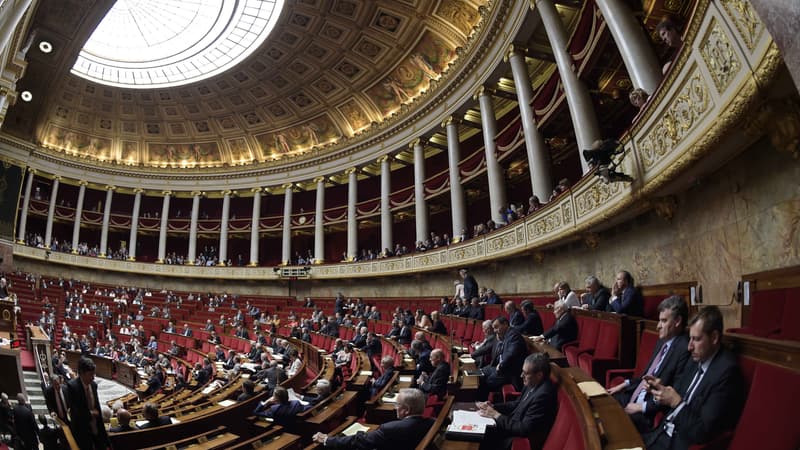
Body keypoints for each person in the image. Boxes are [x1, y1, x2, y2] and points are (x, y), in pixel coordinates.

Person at [644, 305, 745, 449]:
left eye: (696, 339)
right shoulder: (694, 359)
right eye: (690, 338)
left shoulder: (726, 373)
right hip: (659, 434)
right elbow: (675, 391)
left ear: (714, 337)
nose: (689, 346)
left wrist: (676, 403)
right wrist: (660, 390)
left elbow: (702, 432)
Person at [608, 295, 691, 432]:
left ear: (677, 321)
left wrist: (642, 407)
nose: (658, 326)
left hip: (647, 413)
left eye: (663, 321)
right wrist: (625, 384)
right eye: (659, 320)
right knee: (603, 403)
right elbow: (646, 376)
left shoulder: (684, 349)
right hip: (634, 396)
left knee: (611, 425)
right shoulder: (662, 342)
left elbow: (673, 394)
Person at [476, 353, 558, 450]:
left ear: (539, 375)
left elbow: (524, 429)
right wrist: (493, 407)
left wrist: (496, 415)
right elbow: (517, 404)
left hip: (512, 437)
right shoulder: (533, 382)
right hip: (509, 424)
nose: (521, 375)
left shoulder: (543, 396)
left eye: (525, 373)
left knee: (477, 438)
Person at [312, 388, 434, 449]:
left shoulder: (390, 428)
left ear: (406, 410)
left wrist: (327, 440)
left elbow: (359, 441)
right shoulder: (432, 422)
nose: (395, 407)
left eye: (397, 405)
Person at [65, 357, 109, 449]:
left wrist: (105, 438)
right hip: (82, 430)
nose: (93, 377)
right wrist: (91, 413)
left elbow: (97, 409)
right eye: (90, 374)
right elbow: (76, 412)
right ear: (81, 373)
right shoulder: (72, 387)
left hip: (96, 427)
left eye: (94, 374)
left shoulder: (93, 385)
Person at [479, 317, 528, 399]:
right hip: (502, 367)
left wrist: (501, 365)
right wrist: (500, 340)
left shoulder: (514, 336)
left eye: (496, 327)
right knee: (481, 373)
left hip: (509, 372)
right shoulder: (506, 335)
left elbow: (511, 354)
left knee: (486, 382)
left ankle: (482, 403)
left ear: (505, 324)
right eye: (493, 328)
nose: (494, 330)